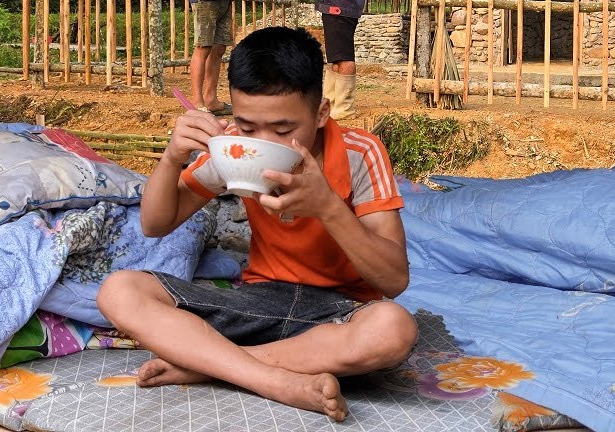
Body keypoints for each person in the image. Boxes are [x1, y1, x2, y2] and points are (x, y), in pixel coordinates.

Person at [96, 27, 417, 422]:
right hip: (260, 301)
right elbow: (155, 224)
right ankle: (274, 380)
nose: (262, 142)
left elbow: (394, 279)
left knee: (392, 329)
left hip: (339, 315)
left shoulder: (359, 153)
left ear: (320, 113)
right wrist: (170, 159)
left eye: (283, 131)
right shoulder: (233, 148)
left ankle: (207, 365)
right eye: (248, 128)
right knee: (120, 290)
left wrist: (329, 208)